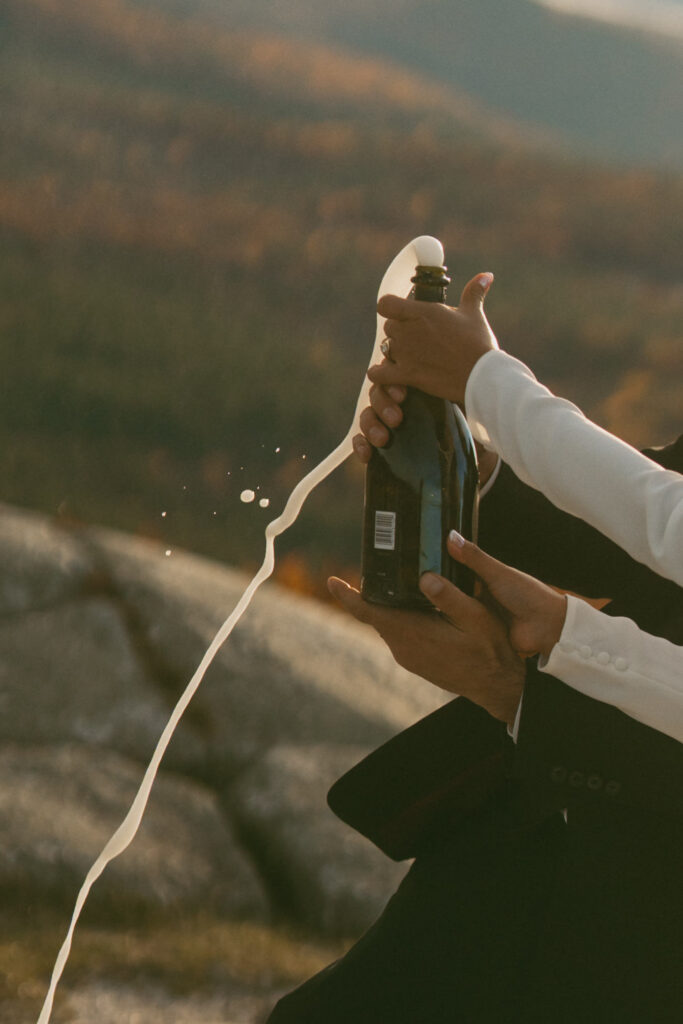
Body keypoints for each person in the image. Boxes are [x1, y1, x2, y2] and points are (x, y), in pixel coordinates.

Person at [266, 279, 682, 1023]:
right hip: (534, 814)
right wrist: (466, 470)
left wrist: (488, 380)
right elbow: (652, 523)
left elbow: (668, 520)